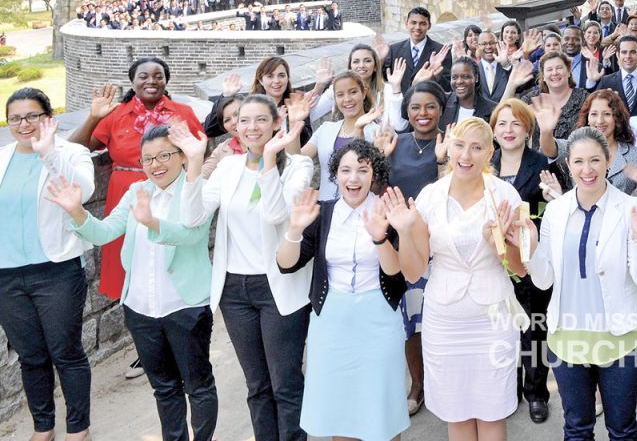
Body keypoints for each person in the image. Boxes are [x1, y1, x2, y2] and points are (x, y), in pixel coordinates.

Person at [48, 123, 217, 441]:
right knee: (164, 388)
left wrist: (152, 222)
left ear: (182, 156)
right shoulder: (137, 192)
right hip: (141, 309)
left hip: (185, 306)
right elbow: (104, 232)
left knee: (197, 385)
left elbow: (191, 234)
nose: (156, 165)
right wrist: (77, 212)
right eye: (148, 159)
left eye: (164, 155)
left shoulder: (200, 190)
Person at [179, 94, 313, 441]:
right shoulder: (228, 168)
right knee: (257, 386)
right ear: (235, 127)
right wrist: (194, 162)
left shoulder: (298, 166)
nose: (252, 127)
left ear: (276, 123)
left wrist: (268, 159)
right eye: (244, 120)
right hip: (234, 291)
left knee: (285, 383)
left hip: (278, 288)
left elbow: (275, 214)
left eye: (260, 120)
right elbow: (192, 217)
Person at [386, 116, 528, 440]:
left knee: (492, 412)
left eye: (477, 147)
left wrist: (500, 244)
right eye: (460, 145)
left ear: (489, 152)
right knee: (457, 412)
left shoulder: (505, 194)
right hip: (445, 322)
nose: (466, 155)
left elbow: (520, 269)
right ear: (448, 148)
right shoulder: (430, 196)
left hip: (493, 319)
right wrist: (405, 231)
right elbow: (414, 271)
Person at [527, 126, 637, 441]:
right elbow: (544, 281)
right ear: (568, 164)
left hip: (619, 339)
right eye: (579, 161)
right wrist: (530, 248)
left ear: (609, 160)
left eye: (595, 160)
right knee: (576, 429)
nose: (587, 170)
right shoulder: (556, 210)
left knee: (622, 429)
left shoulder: (630, 207)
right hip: (567, 339)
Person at [276, 140, 409, 441]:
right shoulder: (323, 214)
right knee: (341, 412)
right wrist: (294, 229)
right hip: (331, 324)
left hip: (378, 319)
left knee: (382, 411)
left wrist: (380, 239)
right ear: (335, 174)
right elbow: (286, 264)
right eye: (346, 170)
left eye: (363, 170)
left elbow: (396, 274)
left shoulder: (387, 211)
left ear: (374, 174)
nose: (353, 178)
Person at [0, 90, 96, 441]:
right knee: (31, 356)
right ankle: (43, 427)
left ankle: (78, 427)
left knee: (65, 352)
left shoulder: (71, 153)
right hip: (6, 276)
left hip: (56, 271)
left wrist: (48, 154)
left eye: (32, 116)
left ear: (48, 117)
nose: (24, 124)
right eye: (15, 118)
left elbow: (82, 192)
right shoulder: (2, 157)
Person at [379, 80, 446, 418]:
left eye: (430, 106)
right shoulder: (396, 141)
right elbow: (378, 190)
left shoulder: (450, 141)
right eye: (416, 107)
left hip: (438, 244)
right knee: (410, 319)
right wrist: (382, 158)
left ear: (441, 110)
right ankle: (418, 385)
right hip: (400, 242)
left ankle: (446, 383)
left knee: (442, 316)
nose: (423, 113)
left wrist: (442, 161)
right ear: (406, 111)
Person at [490, 98, 560, 424]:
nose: (508, 130)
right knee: (499, 328)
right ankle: (506, 390)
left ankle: (536, 393)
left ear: (527, 129)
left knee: (533, 329)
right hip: (491, 260)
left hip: (531, 260)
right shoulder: (483, 164)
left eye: (516, 124)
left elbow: (556, 208)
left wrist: (551, 198)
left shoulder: (541, 164)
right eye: (502, 124)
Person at [536, 88, 637, 196]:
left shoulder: (636, 155)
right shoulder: (576, 146)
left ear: (617, 118)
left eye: (607, 114)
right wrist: (546, 132)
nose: (600, 121)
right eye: (594, 114)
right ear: (587, 117)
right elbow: (550, 150)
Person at [300, 70, 382, 201]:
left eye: (353, 92)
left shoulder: (379, 132)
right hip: (326, 206)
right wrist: (294, 123)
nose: (347, 99)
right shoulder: (326, 129)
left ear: (364, 92)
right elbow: (297, 158)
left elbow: (379, 178)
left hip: (363, 206)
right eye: (340, 95)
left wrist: (359, 131)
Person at [383, 7, 451, 96]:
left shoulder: (441, 51)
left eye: (423, 24)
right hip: (400, 102)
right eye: (413, 23)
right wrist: (380, 60)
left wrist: (436, 76)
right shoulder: (394, 49)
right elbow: (384, 78)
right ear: (406, 24)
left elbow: (448, 87)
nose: (417, 27)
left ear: (429, 26)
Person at [594, 36, 637, 117]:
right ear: (618, 55)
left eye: (632, 52)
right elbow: (594, 105)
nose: (628, 56)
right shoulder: (606, 82)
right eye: (624, 52)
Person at [443, 58, 497, 125]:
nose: (459, 81)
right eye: (454, 77)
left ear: (476, 78)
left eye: (465, 77)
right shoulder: (443, 101)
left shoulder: (492, 109)